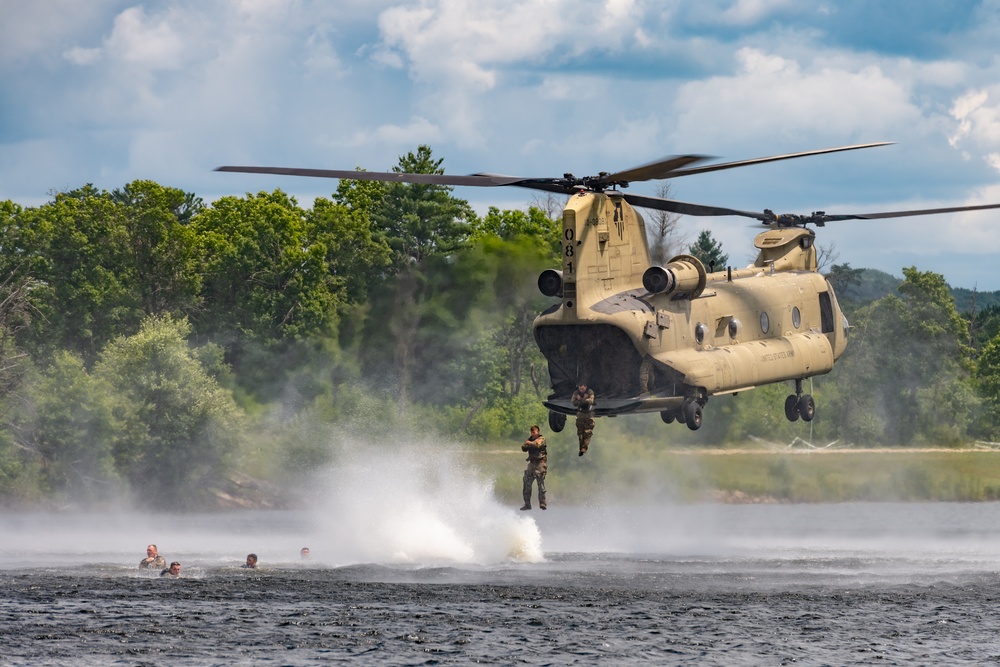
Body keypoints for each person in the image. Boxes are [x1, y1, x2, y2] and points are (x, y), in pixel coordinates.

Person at [520, 424, 547, 511]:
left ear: (538, 432)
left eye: (534, 432)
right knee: (527, 483)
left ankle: (542, 502)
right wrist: (527, 443)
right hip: (531, 464)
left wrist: (529, 443)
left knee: (540, 485)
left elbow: (537, 445)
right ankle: (527, 504)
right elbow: (524, 448)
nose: (533, 433)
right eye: (532, 432)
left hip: (540, 464)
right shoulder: (529, 439)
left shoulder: (541, 439)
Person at [572, 382, 595, 456]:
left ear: (585, 387)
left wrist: (582, 400)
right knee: (580, 433)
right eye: (579, 388)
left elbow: (591, 401)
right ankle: (581, 448)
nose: (581, 390)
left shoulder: (590, 392)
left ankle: (584, 448)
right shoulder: (576, 393)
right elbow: (574, 402)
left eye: (582, 388)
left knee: (588, 432)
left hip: (589, 414)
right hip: (580, 414)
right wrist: (582, 400)